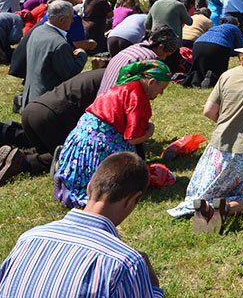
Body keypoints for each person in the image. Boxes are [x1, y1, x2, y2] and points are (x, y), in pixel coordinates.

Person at [0, 152, 163, 298]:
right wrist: (153, 290)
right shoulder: (124, 264)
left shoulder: (28, 239)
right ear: (133, 200)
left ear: (89, 188)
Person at [169, 33, 243, 225]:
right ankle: (224, 208)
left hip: (218, 149)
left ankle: (207, 206)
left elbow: (209, 111)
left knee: (208, 191)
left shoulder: (227, 75)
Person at [54, 60, 170, 208]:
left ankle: (67, 171)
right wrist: (150, 131)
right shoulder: (137, 97)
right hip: (100, 143)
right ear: (151, 82)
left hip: (83, 133)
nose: (161, 93)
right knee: (126, 167)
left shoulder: (126, 85)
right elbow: (133, 138)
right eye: (161, 88)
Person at [0, 69, 106, 183]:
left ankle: (8, 146)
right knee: (67, 155)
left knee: (44, 149)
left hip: (32, 110)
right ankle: (24, 163)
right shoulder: (111, 85)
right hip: (50, 117)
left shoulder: (99, 74)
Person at [22, 0, 87, 106]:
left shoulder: (37, 31)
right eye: (71, 17)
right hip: (47, 103)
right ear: (62, 20)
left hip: (30, 97)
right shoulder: (59, 44)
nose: (72, 21)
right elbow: (70, 74)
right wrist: (82, 55)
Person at [98, 26, 180, 97]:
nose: (164, 59)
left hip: (101, 100)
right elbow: (148, 90)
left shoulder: (135, 47)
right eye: (166, 54)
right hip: (115, 105)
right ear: (160, 47)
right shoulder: (150, 59)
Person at [184, 16, 243, 88]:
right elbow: (241, 48)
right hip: (218, 45)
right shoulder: (234, 28)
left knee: (198, 68)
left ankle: (195, 83)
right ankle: (212, 82)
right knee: (218, 68)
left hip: (198, 44)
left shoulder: (215, 27)